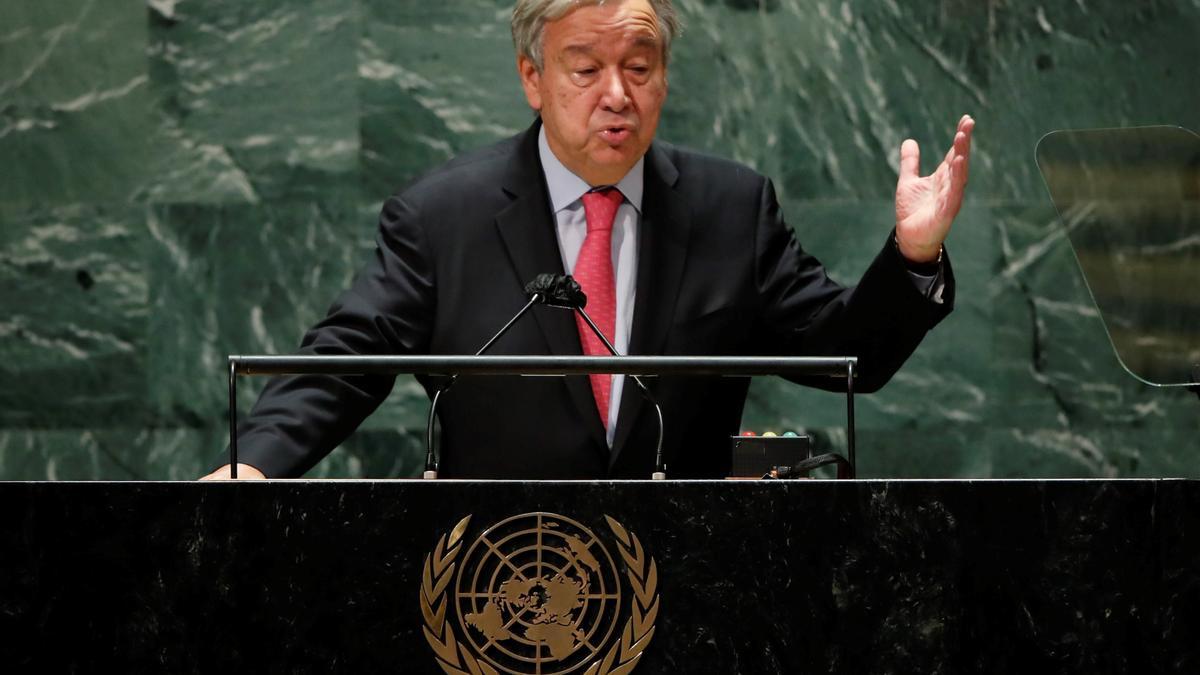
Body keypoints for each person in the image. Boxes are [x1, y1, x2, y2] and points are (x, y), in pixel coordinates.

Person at [202, 0, 973, 481]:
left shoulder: (730, 209)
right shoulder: (446, 217)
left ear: (665, 79)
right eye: (586, 68)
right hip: (499, 586)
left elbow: (847, 357)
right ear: (532, 79)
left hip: (695, 586)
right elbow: (346, 360)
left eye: (640, 67)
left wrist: (912, 256)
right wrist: (253, 464)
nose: (618, 95)